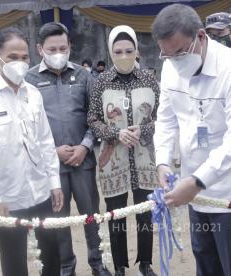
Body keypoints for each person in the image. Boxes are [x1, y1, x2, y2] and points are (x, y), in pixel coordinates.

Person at [152, 4, 231, 276]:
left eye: (179, 52)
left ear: (200, 37)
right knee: (206, 261)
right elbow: (165, 120)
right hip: (193, 188)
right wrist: (163, 163)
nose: (174, 60)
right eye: (166, 54)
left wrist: (198, 181)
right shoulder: (169, 68)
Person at [0, 27, 63, 276]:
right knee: (13, 262)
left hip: (40, 191)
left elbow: (45, 140)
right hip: (6, 199)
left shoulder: (33, 94)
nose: (19, 63)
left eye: (24, 57)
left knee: (50, 255)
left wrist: (54, 183)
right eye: (12, 57)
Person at [25, 23, 110, 276]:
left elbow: (95, 118)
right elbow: (27, 127)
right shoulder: (29, 80)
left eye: (63, 47)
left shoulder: (85, 77)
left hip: (83, 163)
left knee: (91, 216)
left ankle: (98, 263)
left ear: (70, 46)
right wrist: (52, 151)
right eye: (52, 49)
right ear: (40, 49)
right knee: (58, 222)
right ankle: (66, 267)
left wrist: (84, 147)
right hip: (51, 169)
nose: (58, 52)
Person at [88, 25, 159, 276]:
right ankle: (119, 265)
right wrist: (115, 133)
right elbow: (93, 119)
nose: (124, 55)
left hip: (144, 159)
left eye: (129, 50)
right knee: (116, 215)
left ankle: (146, 263)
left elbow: (162, 117)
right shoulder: (101, 83)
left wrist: (144, 129)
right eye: (118, 51)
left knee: (145, 214)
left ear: (137, 50)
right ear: (110, 52)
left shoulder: (150, 80)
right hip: (113, 160)